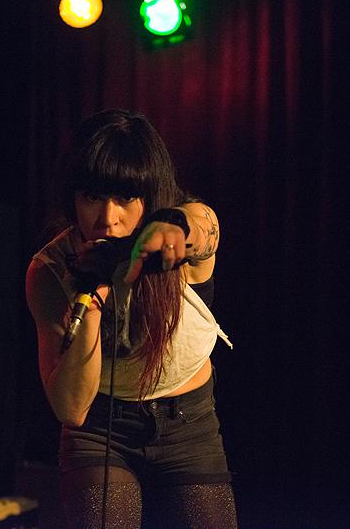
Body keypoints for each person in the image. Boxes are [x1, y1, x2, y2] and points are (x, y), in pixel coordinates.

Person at [25, 109, 237, 528]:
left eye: (125, 199)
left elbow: (204, 226)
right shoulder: (50, 270)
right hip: (101, 430)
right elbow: (71, 409)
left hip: (187, 423)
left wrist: (174, 228)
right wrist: (92, 299)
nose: (107, 218)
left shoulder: (178, 229)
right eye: (92, 198)